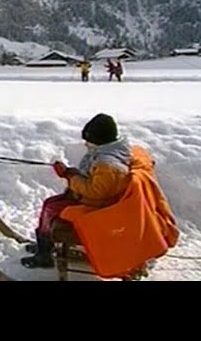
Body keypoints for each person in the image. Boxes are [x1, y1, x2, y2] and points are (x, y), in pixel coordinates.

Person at [21, 113, 140, 269]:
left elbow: (96, 191)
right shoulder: (108, 154)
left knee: (51, 208)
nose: (86, 145)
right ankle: (45, 246)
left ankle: (45, 255)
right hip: (94, 200)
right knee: (50, 203)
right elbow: (94, 179)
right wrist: (71, 172)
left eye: (89, 141)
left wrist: (70, 177)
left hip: (98, 207)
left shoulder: (108, 164)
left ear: (99, 140)